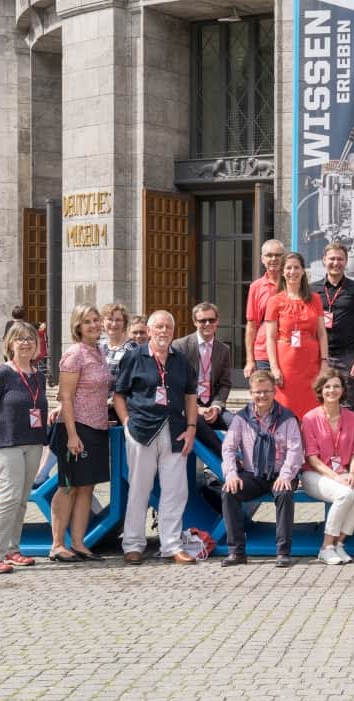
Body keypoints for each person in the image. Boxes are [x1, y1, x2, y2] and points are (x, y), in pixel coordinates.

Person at [113, 310, 199, 565]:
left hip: (174, 430)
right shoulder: (133, 357)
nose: (164, 331)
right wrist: (127, 423)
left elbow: (190, 396)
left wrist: (192, 427)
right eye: (159, 327)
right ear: (149, 331)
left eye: (168, 328)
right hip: (142, 430)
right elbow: (119, 394)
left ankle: (171, 545)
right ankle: (133, 544)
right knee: (140, 489)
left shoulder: (181, 361)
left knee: (175, 490)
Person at [0, 322, 47, 573]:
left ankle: (12, 549)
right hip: (5, 443)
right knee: (8, 498)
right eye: (19, 339)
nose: (25, 343)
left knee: (22, 500)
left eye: (29, 338)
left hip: (33, 442)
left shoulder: (38, 375)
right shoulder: (2, 374)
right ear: (10, 344)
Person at [219, 370, 304, 568]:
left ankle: (283, 552)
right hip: (253, 474)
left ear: (274, 392)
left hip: (281, 472)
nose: (262, 396)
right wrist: (231, 474)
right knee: (228, 492)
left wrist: (285, 475)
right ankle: (236, 551)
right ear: (251, 393)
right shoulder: (241, 418)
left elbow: (295, 450)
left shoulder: (287, 418)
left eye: (266, 391)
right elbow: (229, 448)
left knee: (283, 493)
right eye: (258, 392)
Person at [51, 303, 113, 563]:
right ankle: (57, 545)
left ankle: (78, 543)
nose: (94, 325)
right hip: (76, 427)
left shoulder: (99, 351)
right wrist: (72, 435)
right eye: (87, 321)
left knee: (86, 487)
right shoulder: (74, 353)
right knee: (68, 487)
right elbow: (65, 395)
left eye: (96, 320)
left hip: (98, 427)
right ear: (77, 326)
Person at [299, 368, 354, 565]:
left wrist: (353, 474)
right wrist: (336, 477)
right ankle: (326, 547)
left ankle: (339, 544)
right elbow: (312, 458)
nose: (332, 390)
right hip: (314, 474)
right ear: (321, 391)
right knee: (345, 495)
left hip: (344, 473)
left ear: (343, 390)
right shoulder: (310, 418)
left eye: (336, 386)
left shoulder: (352, 418)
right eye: (327, 386)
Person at [265, 251, 328, 419]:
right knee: (286, 410)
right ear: (283, 272)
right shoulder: (274, 301)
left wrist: (324, 363)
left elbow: (322, 334)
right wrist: (274, 368)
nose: (292, 272)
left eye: (296, 268)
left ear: (303, 271)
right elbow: (270, 338)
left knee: (312, 410)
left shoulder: (314, 299)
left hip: (310, 363)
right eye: (288, 268)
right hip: (286, 364)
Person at [312, 241, 354, 410]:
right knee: (319, 405)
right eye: (332, 258)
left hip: (348, 358)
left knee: (346, 406)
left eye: (340, 259)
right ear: (324, 260)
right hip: (320, 358)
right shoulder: (312, 290)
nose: (336, 263)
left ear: (346, 261)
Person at [172, 302, 234, 455]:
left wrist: (216, 406)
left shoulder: (224, 350)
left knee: (240, 422)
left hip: (212, 407)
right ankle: (226, 458)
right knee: (197, 421)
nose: (207, 324)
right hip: (187, 408)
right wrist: (197, 408)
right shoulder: (180, 346)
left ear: (217, 321)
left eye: (211, 320)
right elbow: (175, 384)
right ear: (195, 322)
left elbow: (225, 384)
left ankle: (251, 465)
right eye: (202, 321)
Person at [244, 238, 286, 377]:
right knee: (265, 395)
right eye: (269, 255)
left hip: (289, 349)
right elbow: (251, 326)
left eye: (278, 255)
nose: (273, 259)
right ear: (262, 259)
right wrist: (250, 360)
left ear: (284, 257)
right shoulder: (256, 286)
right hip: (264, 352)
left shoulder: (293, 283)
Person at [98, 303, 134, 381]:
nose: (114, 324)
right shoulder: (99, 345)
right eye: (110, 319)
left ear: (124, 323)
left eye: (118, 320)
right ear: (102, 322)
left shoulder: (131, 349)